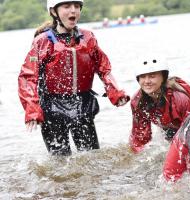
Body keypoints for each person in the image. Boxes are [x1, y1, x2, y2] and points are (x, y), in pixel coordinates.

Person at [18, 0, 129, 156]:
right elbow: (28, 77)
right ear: (54, 12)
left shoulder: (88, 37)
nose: (73, 11)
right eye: (67, 7)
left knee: (92, 158)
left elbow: (104, 68)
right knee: (60, 163)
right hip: (52, 107)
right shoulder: (42, 41)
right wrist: (31, 109)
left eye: (77, 7)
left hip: (82, 105)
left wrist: (115, 91)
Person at [129, 56, 190, 153]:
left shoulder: (180, 100)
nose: (147, 81)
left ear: (163, 77)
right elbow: (139, 138)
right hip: (169, 130)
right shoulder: (137, 102)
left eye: (152, 76)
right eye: (142, 77)